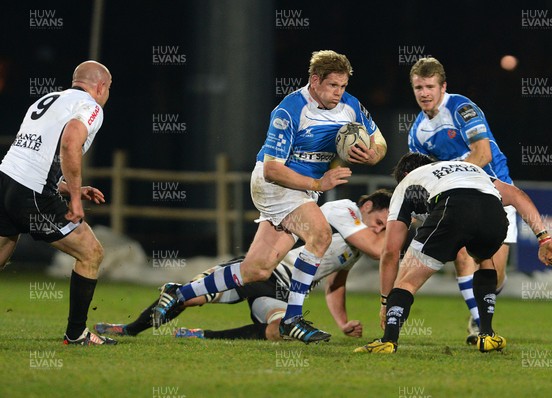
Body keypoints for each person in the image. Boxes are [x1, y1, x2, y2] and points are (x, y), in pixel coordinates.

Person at [152, 50, 387, 343]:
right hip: (273, 184)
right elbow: (273, 170)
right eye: (332, 86)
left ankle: (180, 292)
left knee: (257, 269)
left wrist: (371, 155)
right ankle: (292, 319)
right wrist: (318, 181)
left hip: (302, 190)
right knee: (321, 235)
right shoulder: (288, 111)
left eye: (343, 86)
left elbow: (380, 142)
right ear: (315, 81)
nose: (339, 93)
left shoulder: (350, 105)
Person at [94, 190, 391, 341]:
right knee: (192, 297)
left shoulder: (357, 243)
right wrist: (405, 234)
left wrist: (342, 323)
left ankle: (201, 335)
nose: (378, 232)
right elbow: (382, 251)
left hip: (280, 290)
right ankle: (129, 330)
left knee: (279, 330)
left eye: (384, 229)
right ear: (365, 208)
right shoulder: (345, 211)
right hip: (265, 269)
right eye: (379, 223)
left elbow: (335, 284)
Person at [354, 153, 552, 354]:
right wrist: (544, 238)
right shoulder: (470, 169)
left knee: (407, 280)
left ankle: (388, 340)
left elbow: (390, 252)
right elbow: (517, 195)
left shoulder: (407, 183)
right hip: (494, 213)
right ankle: (487, 334)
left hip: (452, 208)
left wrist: (385, 301)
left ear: (406, 174)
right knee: (484, 258)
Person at [0, 61, 116, 345]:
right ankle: (77, 333)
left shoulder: (49, 99)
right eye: (109, 88)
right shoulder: (91, 106)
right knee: (91, 253)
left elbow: (34, 157)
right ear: (100, 86)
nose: (107, 94)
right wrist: (75, 199)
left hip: (6, 183)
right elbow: (70, 143)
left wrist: (68, 187)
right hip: (31, 193)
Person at [407, 57, 516, 342]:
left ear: (443, 87)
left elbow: (483, 154)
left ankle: (482, 310)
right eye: (418, 87)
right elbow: (421, 175)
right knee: (462, 256)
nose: (424, 93)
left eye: (430, 86)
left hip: (496, 191)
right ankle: (482, 325)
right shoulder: (416, 132)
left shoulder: (461, 108)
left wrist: (452, 178)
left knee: (495, 272)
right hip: (460, 198)